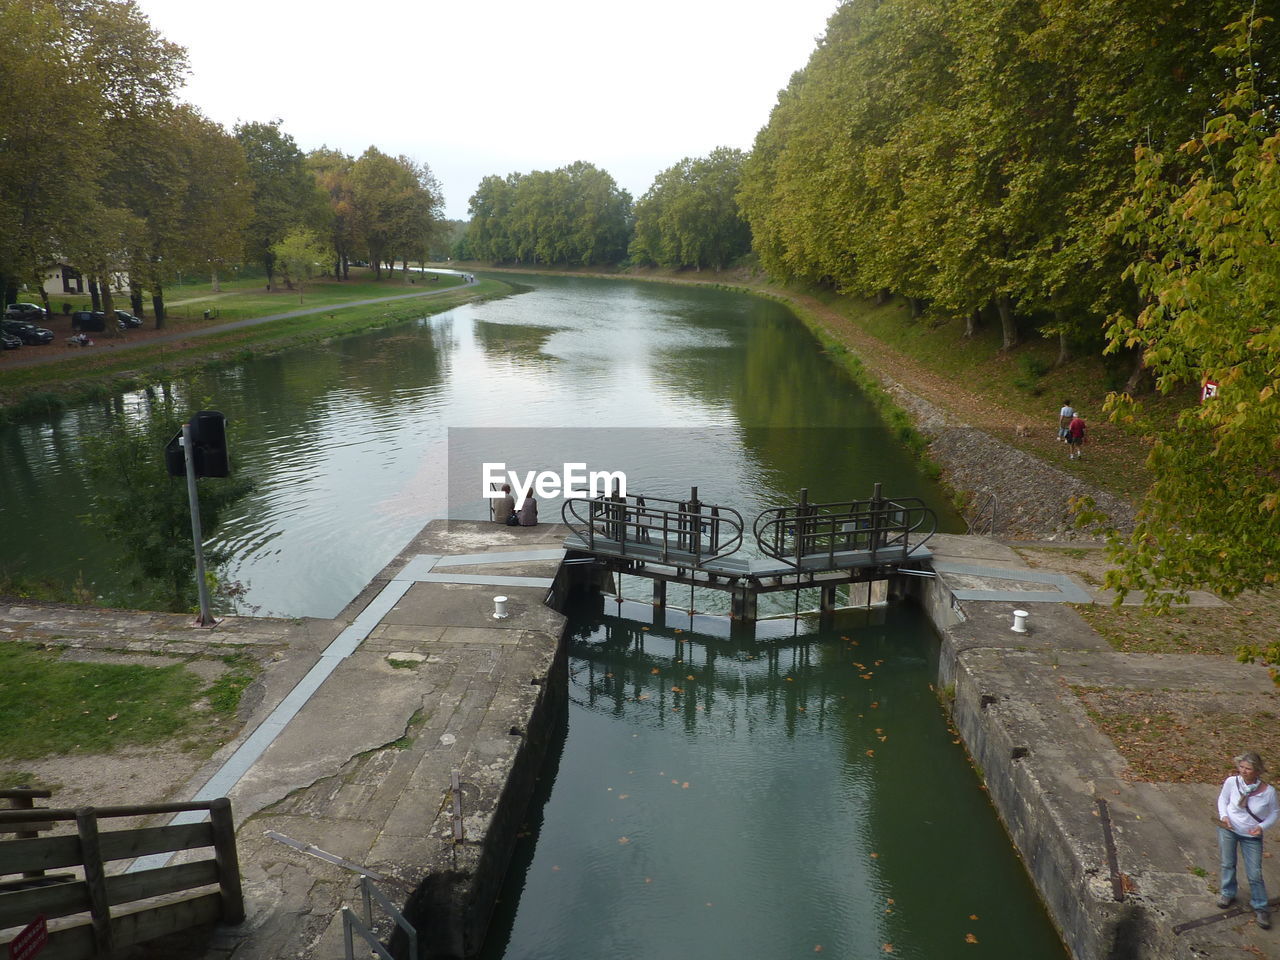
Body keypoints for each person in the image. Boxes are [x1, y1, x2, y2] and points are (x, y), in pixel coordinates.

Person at [1217, 751, 1277, 928]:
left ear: (1257, 771)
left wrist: (1261, 827)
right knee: (1227, 863)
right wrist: (1223, 816)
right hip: (1229, 829)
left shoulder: (1268, 792)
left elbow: (1274, 813)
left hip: (1251, 836)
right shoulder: (1232, 782)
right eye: (1241, 767)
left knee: (1254, 873)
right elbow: (1223, 799)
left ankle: (1261, 907)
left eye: (1248, 768)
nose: (1243, 771)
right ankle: (1227, 892)